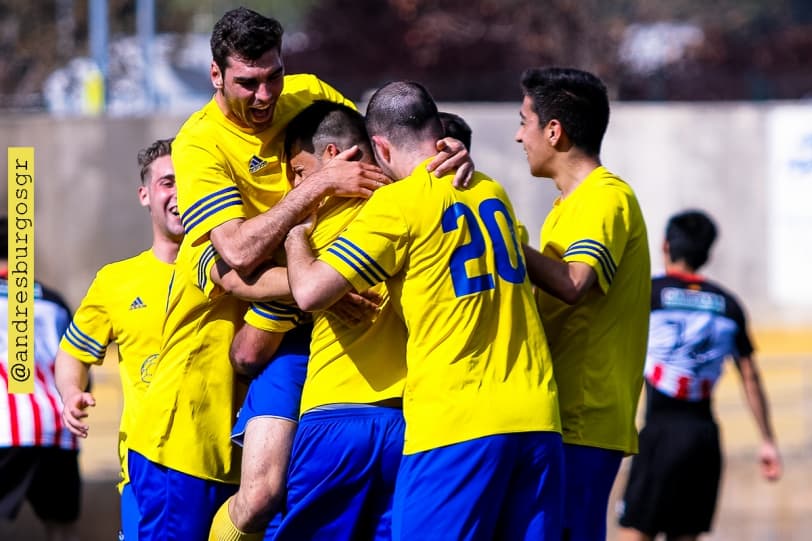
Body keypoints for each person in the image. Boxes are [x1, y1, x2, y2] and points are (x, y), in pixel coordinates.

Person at [125, 8, 472, 541]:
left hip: (343, 290)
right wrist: (316, 220)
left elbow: (378, 143)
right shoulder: (199, 144)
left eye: (273, 77)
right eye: (248, 83)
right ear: (216, 76)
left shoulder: (309, 92)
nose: (265, 96)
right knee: (262, 490)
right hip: (270, 308)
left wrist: (441, 151)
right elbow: (233, 259)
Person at [284, 80, 563, 541]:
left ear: (379, 147)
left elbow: (311, 291)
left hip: (457, 424)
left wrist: (297, 235)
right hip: (538, 418)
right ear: (440, 136)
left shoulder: (399, 204)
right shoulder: (491, 190)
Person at [243, 101, 408, 541]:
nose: (297, 184)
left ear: (332, 155)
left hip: (335, 417)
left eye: (298, 171)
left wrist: (297, 237)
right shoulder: (410, 202)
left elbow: (250, 343)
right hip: (408, 419)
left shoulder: (315, 228)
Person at [515, 66, 651, 541]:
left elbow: (574, 283)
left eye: (524, 121)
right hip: (563, 415)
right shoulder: (567, 205)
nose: (518, 136)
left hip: (585, 418)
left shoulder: (604, 197)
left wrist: (504, 243)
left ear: (554, 130)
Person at [617, 210, 782, 541]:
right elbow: (750, 377)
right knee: (687, 534)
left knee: (635, 531)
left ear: (665, 246)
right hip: (703, 438)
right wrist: (767, 440)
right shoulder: (729, 304)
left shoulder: (648, 295)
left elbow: (618, 356)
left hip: (658, 434)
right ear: (707, 254)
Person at [54, 138, 183, 540]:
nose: (180, 193)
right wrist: (70, 392)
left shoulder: (234, 272)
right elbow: (72, 353)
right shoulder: (116, 281)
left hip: (231, 464)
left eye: (190, 181)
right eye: (168, 182)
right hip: (149, 466)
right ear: (145, 195)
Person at [0, 216, 79, 541]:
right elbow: (76, 370)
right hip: (56, 429)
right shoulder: (54, 300)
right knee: (60, 529)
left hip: (5, 426)